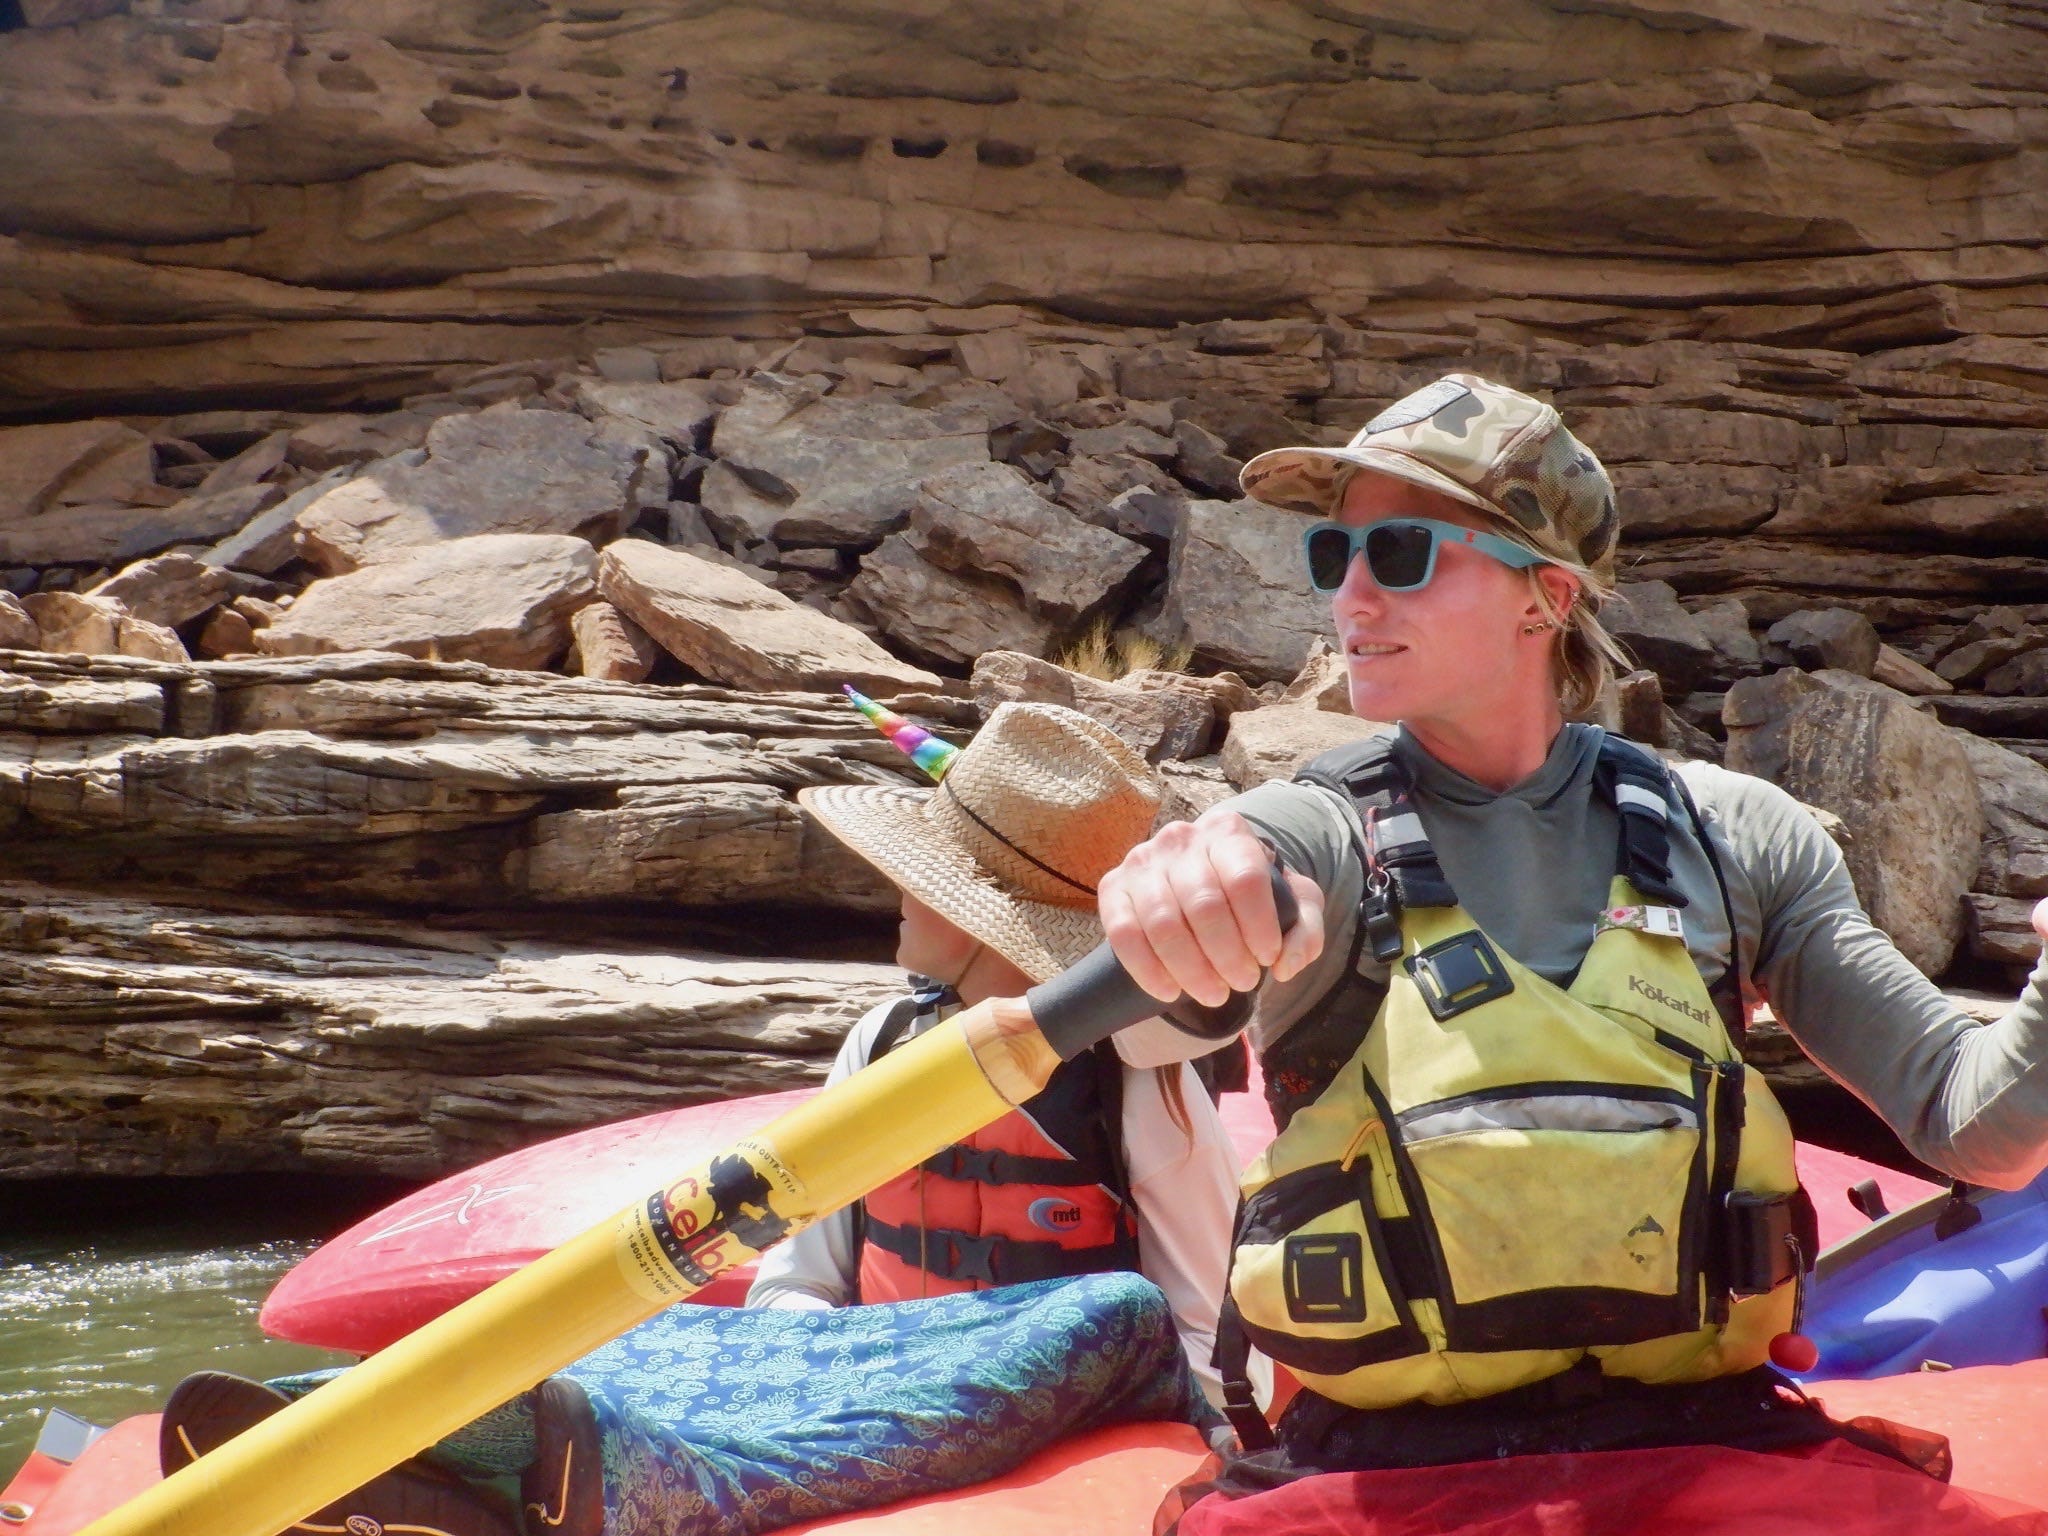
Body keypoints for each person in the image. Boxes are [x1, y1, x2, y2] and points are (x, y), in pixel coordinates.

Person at [1085, 373, 2048, 1520]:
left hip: (1708, 1442)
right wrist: (1176, 888)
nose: (1349, 593)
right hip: (1384, 1470)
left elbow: (1969, 1126)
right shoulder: (1310, 832)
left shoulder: (1735, 837)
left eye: (1399, 552)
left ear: (1543, 596)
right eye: (1332, 552)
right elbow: (1184, 979)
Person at [750, 691, 1247, 1411]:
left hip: (1070, 1440)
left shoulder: (1134, 1079)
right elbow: (796, 1281)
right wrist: (852, 1379)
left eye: (921, 873)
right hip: (877, 1408)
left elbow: (1213, 1342)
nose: (896, 889)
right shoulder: (881, 1041)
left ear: (979, 912)